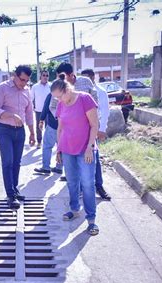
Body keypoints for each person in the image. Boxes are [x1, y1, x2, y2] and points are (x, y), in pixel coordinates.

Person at [52, 75, 100, 236]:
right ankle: (74, 209)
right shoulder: (61, 104)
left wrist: (90, 147)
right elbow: (60, 129)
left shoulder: (85, 99)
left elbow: (95, 125)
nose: (59, 100)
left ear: (68, 90)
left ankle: (91, 220)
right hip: (67, 149)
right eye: (56, 98)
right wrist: (58, 149)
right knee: (72, 182)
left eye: (60, 96)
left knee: (87, 184)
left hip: (85, 149)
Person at [0, 65, 35, 209]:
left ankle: (14, 189)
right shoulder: (2, 88)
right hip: (4, 129)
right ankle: (10, 195)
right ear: (14, 76)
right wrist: (11, 115)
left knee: (17, 162)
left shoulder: (27, 90)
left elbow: (29, 113)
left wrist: (32, 133)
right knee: (8, 161)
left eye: (27, 81)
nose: (24, 83)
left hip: (20, 131)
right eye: (22, 79)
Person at [55, 62, 97, 182]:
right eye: (59, 77)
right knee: (72, 173)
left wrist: (95, 126)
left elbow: (96, 101)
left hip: (89, 130)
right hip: (70, 134)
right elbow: (54, 106)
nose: (61, 80)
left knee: (91, 169)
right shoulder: (59, 88)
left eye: (63, 77)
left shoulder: (85, 82)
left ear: (71, 75)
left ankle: (98, 186)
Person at [81, 69, 112, 200]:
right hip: (81, 130)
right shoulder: (80, 91)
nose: (84, 81)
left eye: (87, 78)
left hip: (94, 129)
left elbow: (104, 112)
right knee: (80, 159)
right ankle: (82, 188)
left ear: (93, 78)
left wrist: (102, 129)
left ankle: (99, 186)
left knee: (95, 159)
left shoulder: (100, 92)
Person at [30, 70, 51, 149]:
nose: (45, 77)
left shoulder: (51, 85)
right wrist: (32, 108)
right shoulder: (35, 86)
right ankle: (39, 142)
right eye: (44, 75)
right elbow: (31, 98)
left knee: (48, 127)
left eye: (47, 75)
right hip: (39, 110)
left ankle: (47, 142)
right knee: (39, 127)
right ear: (40, 76)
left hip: (49, 111)